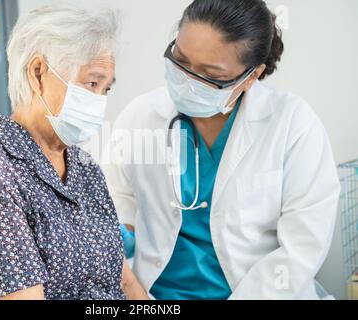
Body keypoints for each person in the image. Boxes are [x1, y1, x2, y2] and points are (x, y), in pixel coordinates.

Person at [105, 0, 340, 299]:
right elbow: (120, 202)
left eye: (210, 73)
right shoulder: (139, 116)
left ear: (251, 76)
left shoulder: (292, 124)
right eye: (181, 60)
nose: (188, 79)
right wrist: (120, 234)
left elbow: (303, 246)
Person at [0, 3, 146, 300]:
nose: (99, 101)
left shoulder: (85, 168)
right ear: (37, 74)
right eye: (91, 83)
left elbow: (125, 282)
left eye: (106, 89)